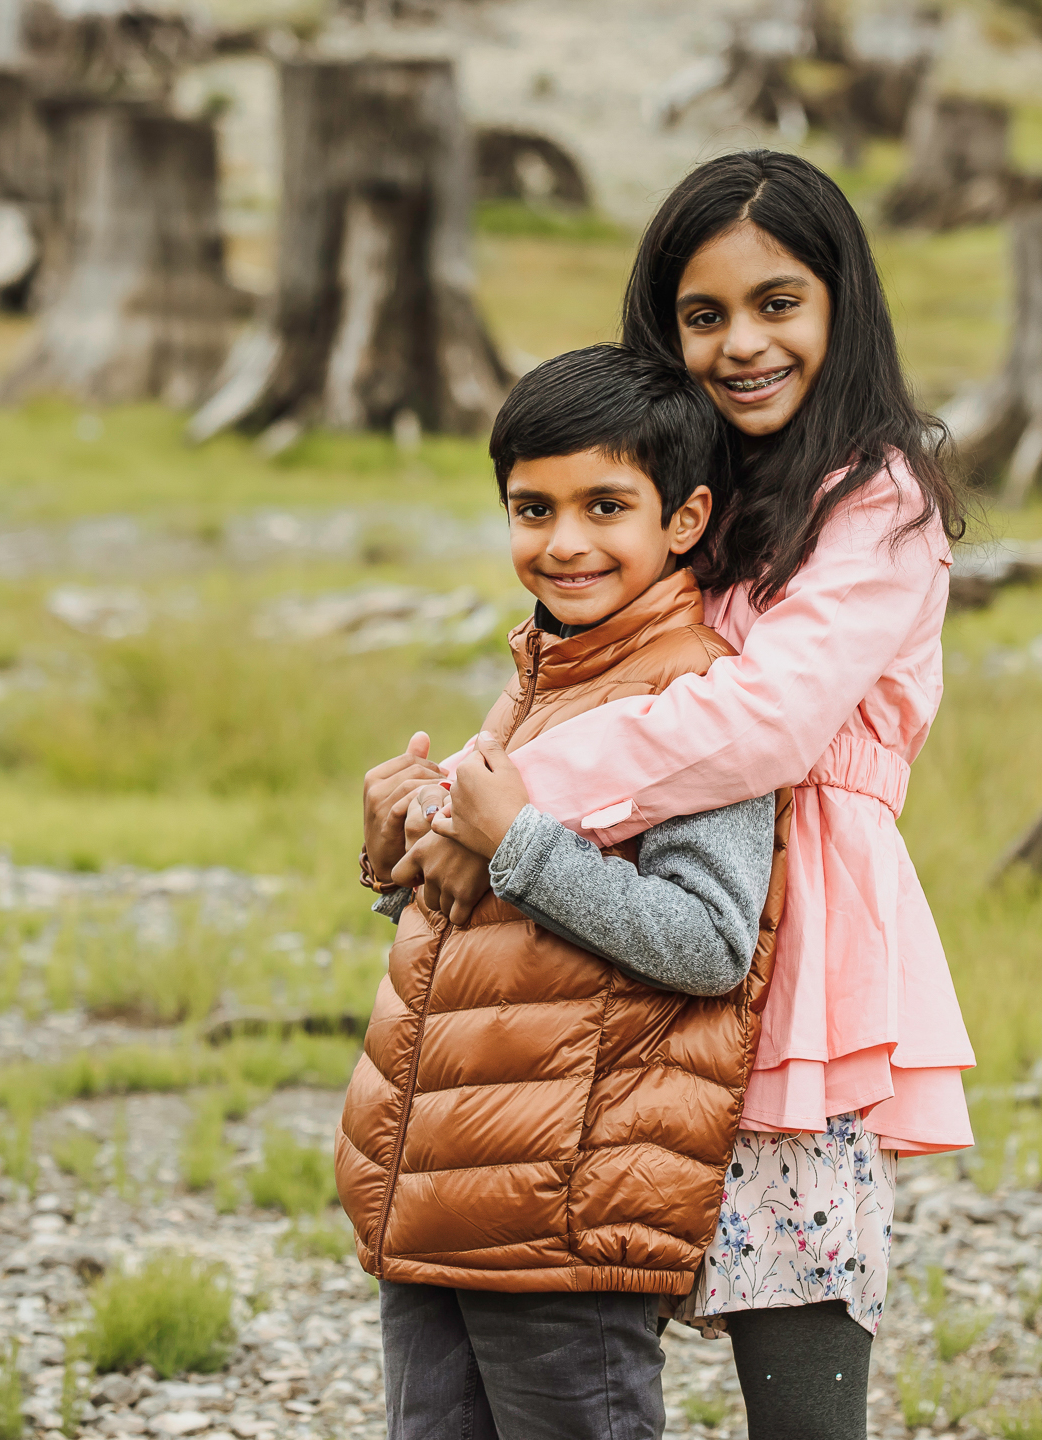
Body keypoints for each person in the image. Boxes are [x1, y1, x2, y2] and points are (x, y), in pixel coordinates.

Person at [370, 150, 977, 1440]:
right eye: (704, 314)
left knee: (794, 1335)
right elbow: (562, 686)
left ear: (843, 305)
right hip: (620, 952)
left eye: (778, 303)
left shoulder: (878, 501)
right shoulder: (682, 488)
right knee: (571, 1323)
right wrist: (438, 817)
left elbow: (767, 720)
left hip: (799, 948)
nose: (742, 342)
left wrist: (515, 801)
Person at [340, 343, 795, 1440]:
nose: (565, 542)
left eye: (605, 506)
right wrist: (397, 856)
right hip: (445, 1184)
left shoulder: (694, 700)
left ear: (683, 520)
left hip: (563, 1203)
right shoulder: (543, 676)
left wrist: (519, 844)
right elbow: (502, 933)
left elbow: (709, 942)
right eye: (532, 509)